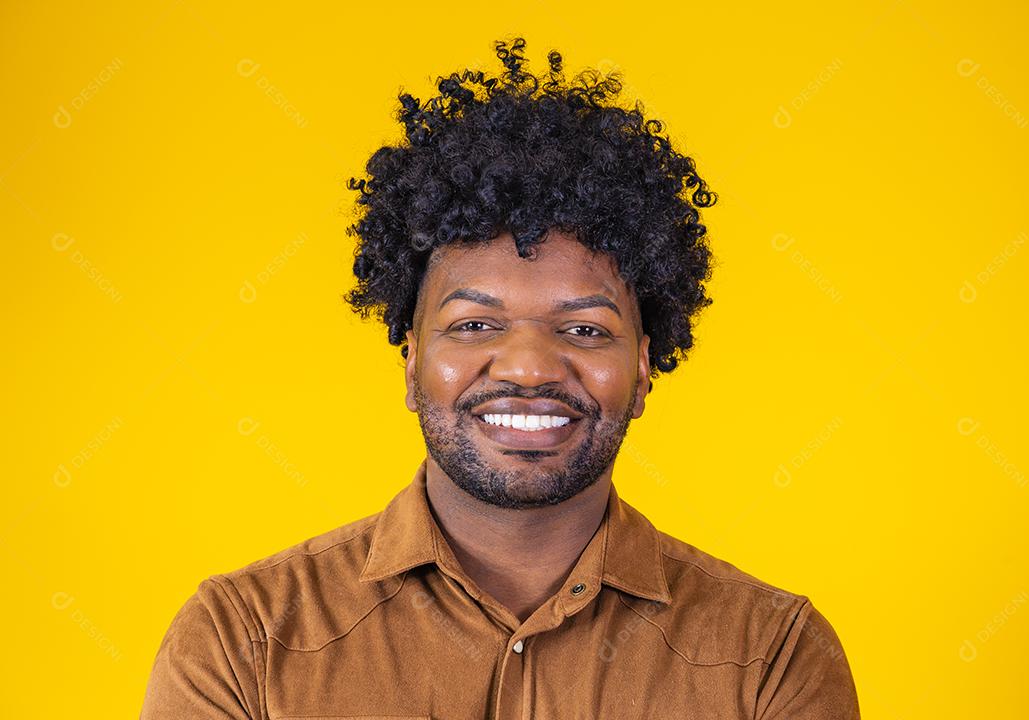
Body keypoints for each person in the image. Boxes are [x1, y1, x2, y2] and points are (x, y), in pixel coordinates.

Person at [140, 36, 860, 719]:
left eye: (584, 330)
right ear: (413, 360)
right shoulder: (244, 643)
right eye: (475, 325)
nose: (528, 367)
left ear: (643, 370)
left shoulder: (773, 656)